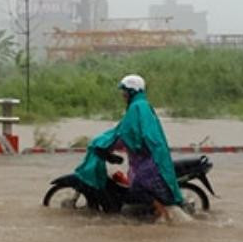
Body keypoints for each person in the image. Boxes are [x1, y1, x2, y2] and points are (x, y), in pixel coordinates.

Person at [73, 74, 184, 219]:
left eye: (124, 91)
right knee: (134, 187)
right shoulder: (141, 105)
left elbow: (127, 134)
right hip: (149, 156)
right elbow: (124, 131)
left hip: (149, 160)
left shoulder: (137, 107)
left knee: (137, 190)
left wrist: (106, 144)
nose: (123, 95)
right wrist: (107, 141)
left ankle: (164, 216)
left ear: (132, 91)